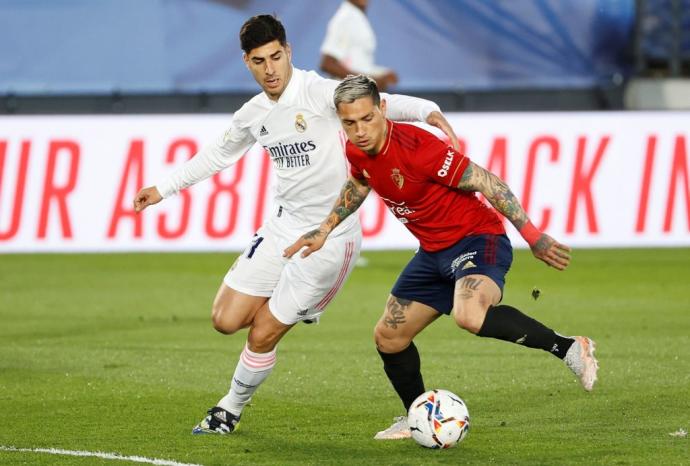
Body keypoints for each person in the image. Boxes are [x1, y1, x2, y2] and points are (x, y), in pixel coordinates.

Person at [133, 16, 458, 435]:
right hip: (281, 227)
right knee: (225, 319)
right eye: (258, 61)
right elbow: (218, 154)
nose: (269, 69)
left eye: (275, 57)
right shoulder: (253, 114)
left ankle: (228, 409)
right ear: (246, 63)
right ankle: (298, 306)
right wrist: (164, 187)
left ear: (288, 52)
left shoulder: (320, 92)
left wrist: (428, 112)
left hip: (329, 237)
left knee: (263, 332)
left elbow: (383, 102)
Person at [284, 75, 599, 440]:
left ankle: (570, 347)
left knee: (469, 315)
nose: (360, 131)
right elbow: (360, 182)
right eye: (349, 123)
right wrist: (325, 227)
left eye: (367, 119)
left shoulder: (420, 148)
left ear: (383, 109)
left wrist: (533, 235)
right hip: (432, 252)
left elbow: (486, 181)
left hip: (477, 239)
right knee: (388, 337)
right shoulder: (356, 149)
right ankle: (417, 415)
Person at [320, 0, 398, 91]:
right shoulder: (345, 19)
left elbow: (359, 65)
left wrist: (382, 73)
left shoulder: (357, 17)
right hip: (348, 97)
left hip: (358, 94)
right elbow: (328, 64)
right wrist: (370, 81)